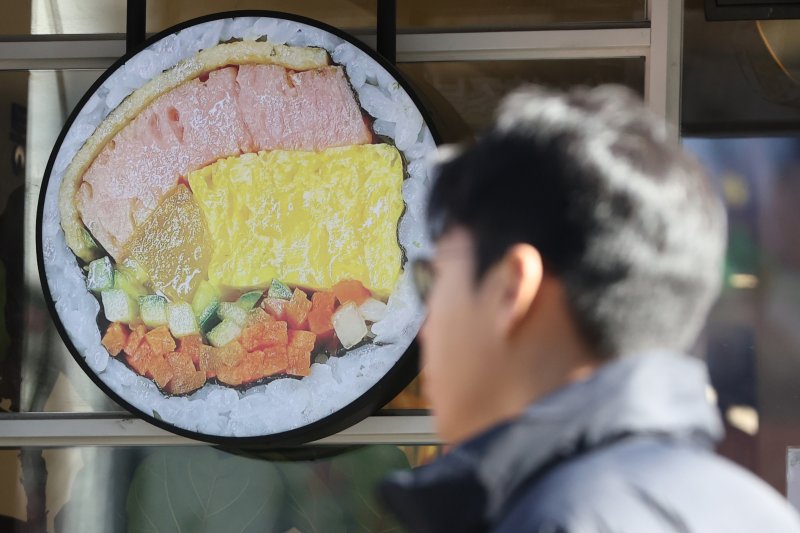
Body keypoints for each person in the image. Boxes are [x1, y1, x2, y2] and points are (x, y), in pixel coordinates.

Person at [378, 85, 800, 532]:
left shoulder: (559, 518)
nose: (426, 328)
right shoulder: (758, 511)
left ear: (510, 288)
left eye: (434, 279)